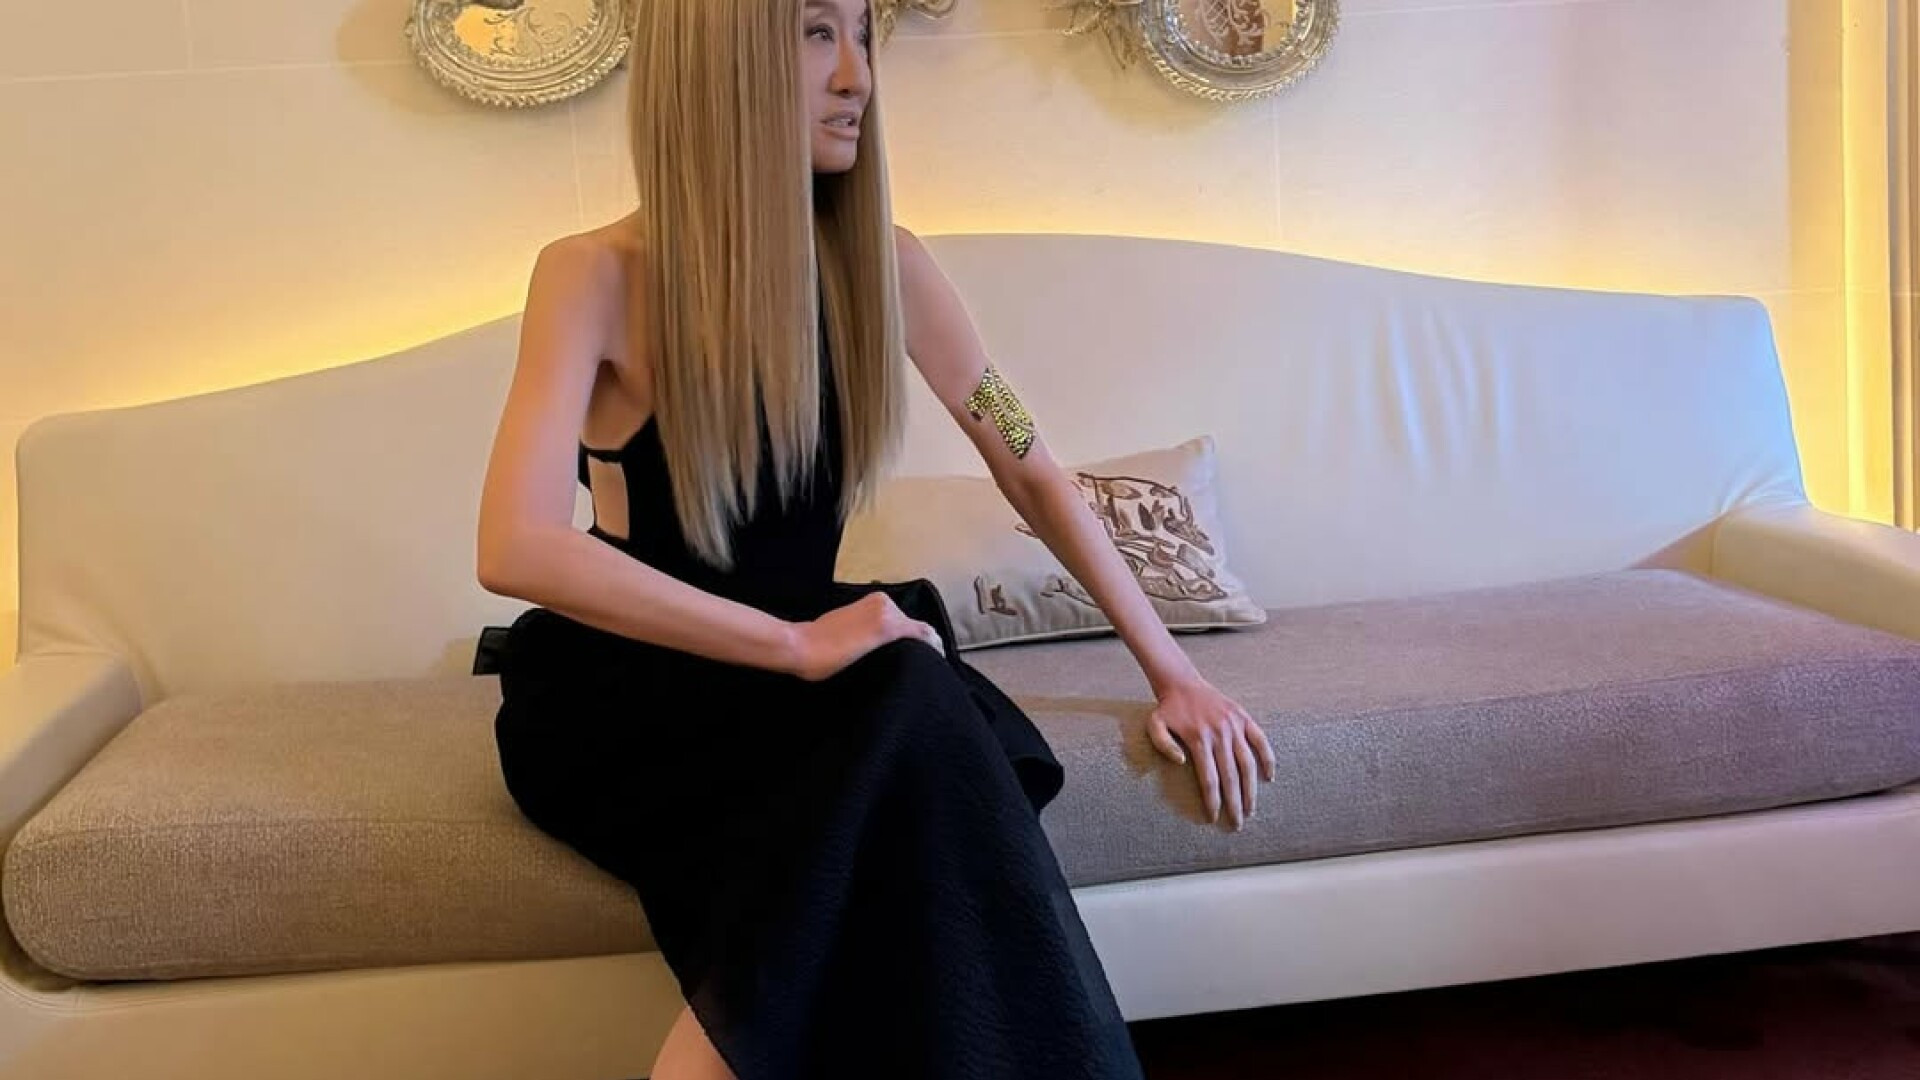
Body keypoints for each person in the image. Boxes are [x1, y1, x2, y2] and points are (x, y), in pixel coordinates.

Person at [477, 1, 1275, 1076]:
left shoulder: (891, 266)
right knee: (906, 699)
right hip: (635, 687)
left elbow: (1029, 460)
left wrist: (1174, 672)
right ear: (718, 57)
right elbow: (516, 545)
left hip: (806, 673)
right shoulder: (592, 274)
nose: (857, 75)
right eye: (817, 33)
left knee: (907, 704)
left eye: (863, 34)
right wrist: (796, 645)